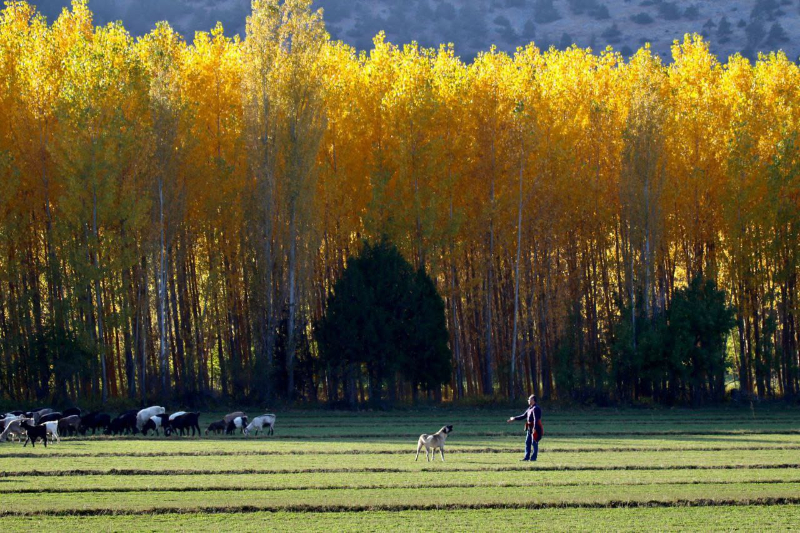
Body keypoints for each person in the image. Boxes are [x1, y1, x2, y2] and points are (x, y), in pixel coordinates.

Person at [507, 394, 542, 462]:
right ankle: (526, 457)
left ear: (533, 400)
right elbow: (523, 416)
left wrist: (535, 428)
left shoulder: (536, 408)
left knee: (534, 443)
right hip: (529, 428)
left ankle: (533, 458)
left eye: (529, 399)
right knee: (527, 442)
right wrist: (514, 418)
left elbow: (536, 419)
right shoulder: (530, 408)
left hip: (535, 428)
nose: (528, 400)